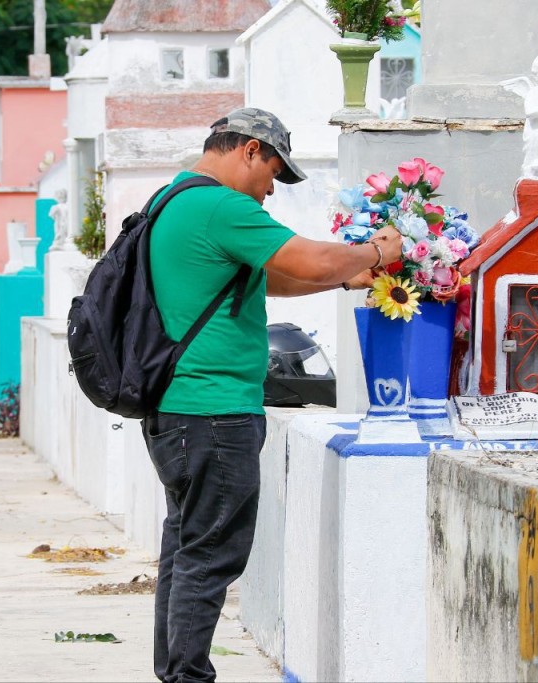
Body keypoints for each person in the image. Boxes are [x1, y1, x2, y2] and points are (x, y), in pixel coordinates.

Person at [144, 107, 403, 683]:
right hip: (215, 413)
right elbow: (309, 256)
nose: (270, 191)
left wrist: (343, 278)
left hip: (178, 411)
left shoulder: (175, 199)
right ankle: (187, 677)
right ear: (250, 151)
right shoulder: (221, 205)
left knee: (188, 549)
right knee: (211, 555)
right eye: (273, 174)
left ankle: (175, 672)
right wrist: (376, 251)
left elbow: (271, 277)